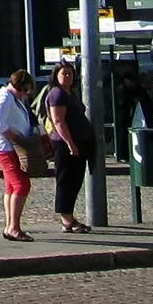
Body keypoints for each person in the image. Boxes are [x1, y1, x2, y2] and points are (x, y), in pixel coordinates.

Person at [0, 69, 39, 241]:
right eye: (25, 90)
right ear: (20, 85)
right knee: (21, 184)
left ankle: (10, 226)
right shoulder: (5, 97)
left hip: (9, 147)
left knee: (11, 186)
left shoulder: (11, 97)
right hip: (5, 147)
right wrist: (17, 138)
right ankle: (14, 228)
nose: (25, 94)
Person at [45, 60, 95, 234]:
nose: (67, 77)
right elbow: (58, 121)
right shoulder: (57, 94)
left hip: (79, 142)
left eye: (70, 74)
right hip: (65, 144)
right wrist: (70, 144)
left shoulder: (71, 93)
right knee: (66, 181)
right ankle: (66, 219)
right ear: (56, 76)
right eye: (63, 74)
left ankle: (69, 215)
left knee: (75, 180)